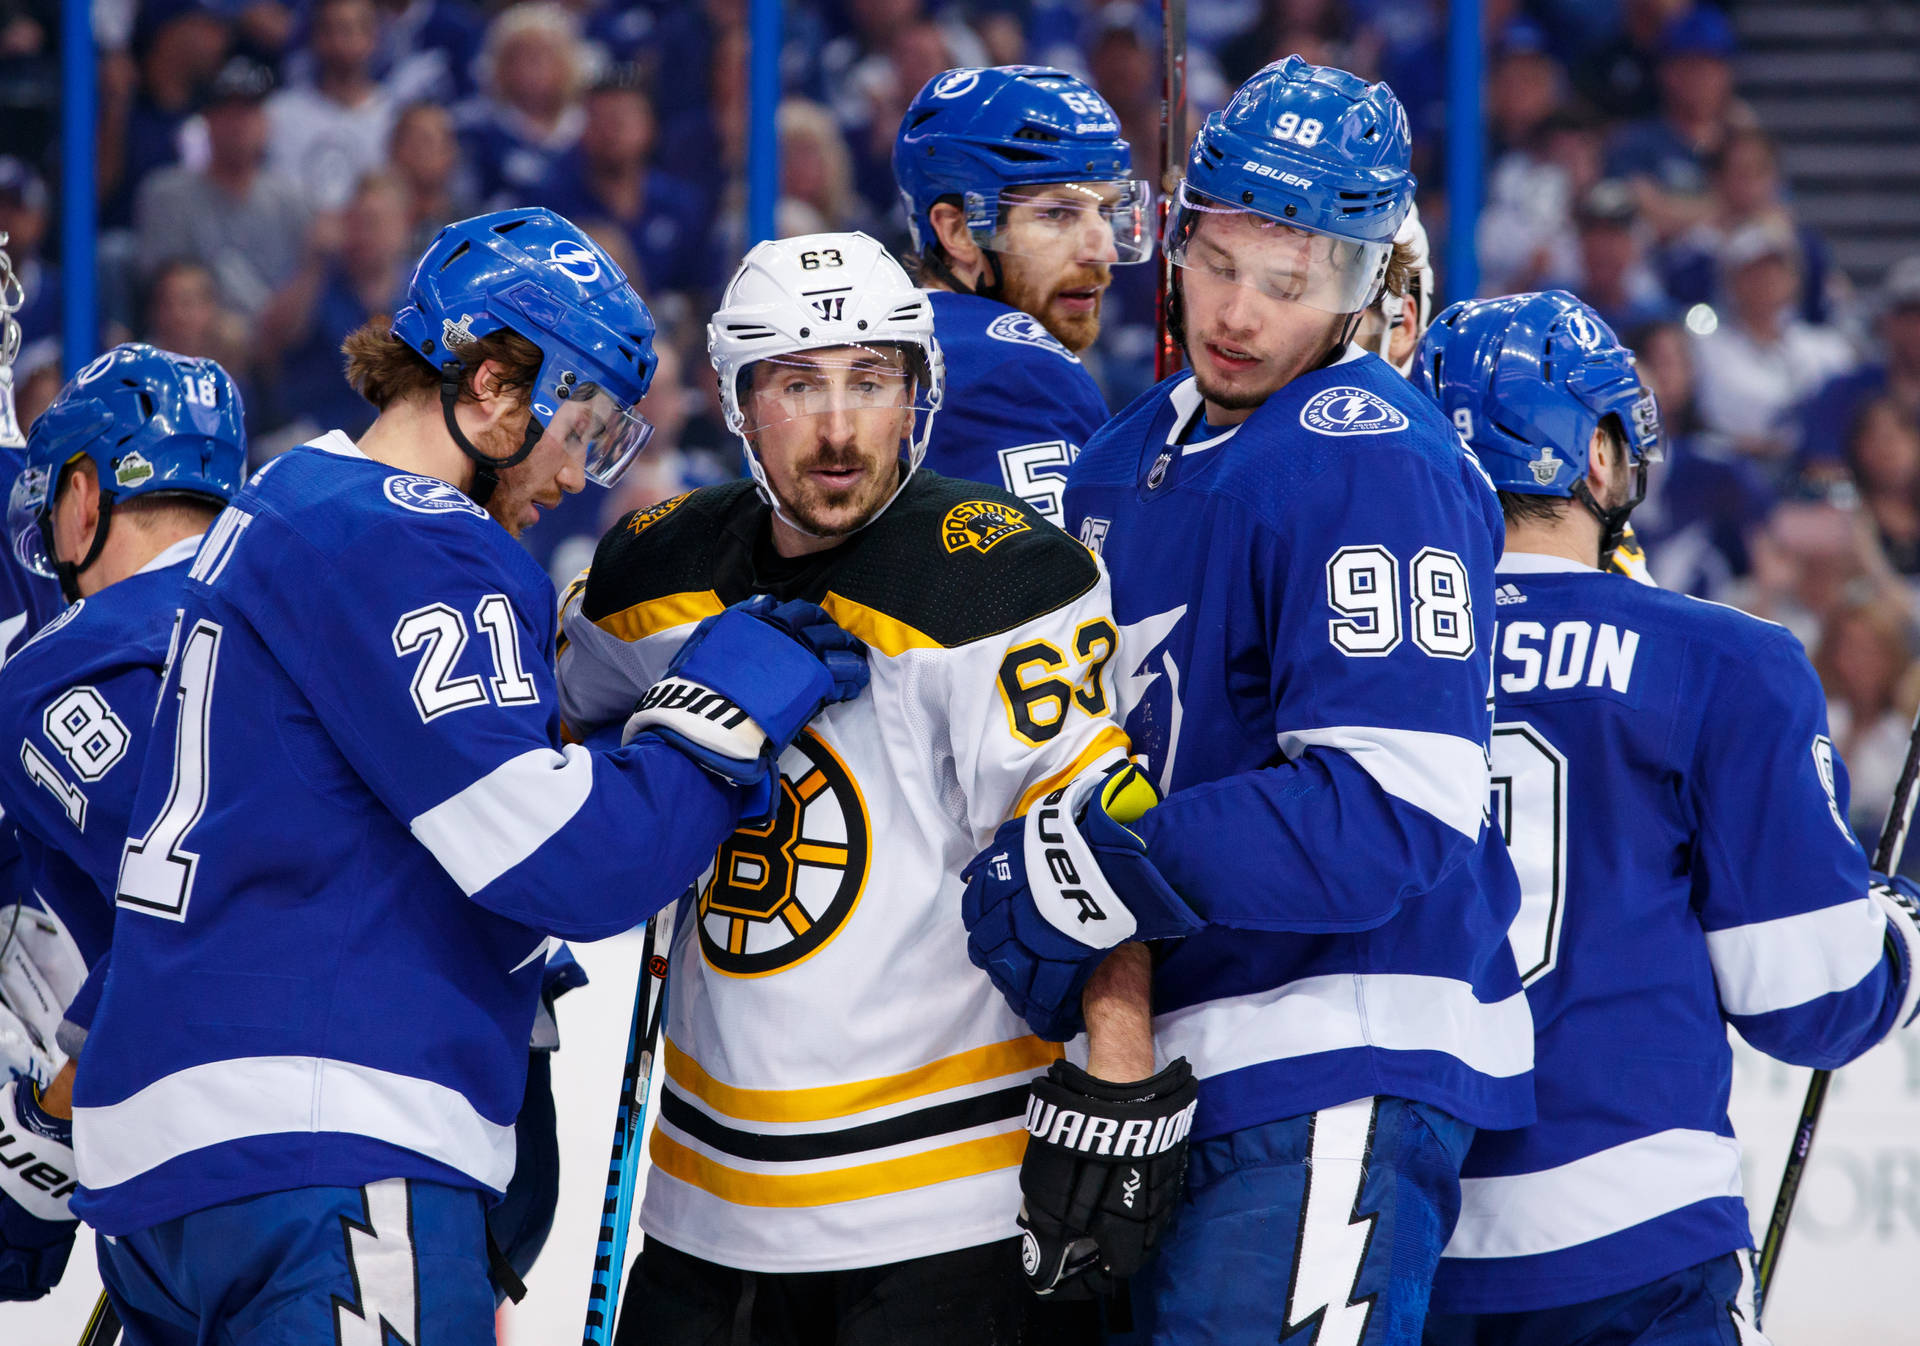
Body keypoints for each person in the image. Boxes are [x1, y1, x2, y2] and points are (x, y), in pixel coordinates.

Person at [65, 209, 868, 1339]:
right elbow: (568, 861)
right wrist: (720, 710)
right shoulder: (413, 540)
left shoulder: (279, 507)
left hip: (171, 1178)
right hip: (334, 1142)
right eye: (579, 423)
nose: (581, 474)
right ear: (494, 387)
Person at [964, 57, 1531, 1342]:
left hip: (1334, 1050)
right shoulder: (1127, 449)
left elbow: (1392, 808)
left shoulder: (1370, 451)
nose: (1237, 312)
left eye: (1292, 284)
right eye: (1218, 261)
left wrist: (1102, 858)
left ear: (1366, 282)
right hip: (1167, 1060)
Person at [557, 231, 1194, 1345]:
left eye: (872, 381)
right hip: (700, 1209)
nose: (841, 426)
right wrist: (671, 727)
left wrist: (1120, 1072)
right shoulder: (650, 571)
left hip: (947, 1206)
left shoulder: (999, 571)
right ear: (739, 403)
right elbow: (544, 751)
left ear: (919, 393)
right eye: (798, 385)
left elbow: (1096, 835)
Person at [1413, 289, 1920, 1346]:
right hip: (1636, 1233)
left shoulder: (1351, 656)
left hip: (1407, 1234)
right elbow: (1812, 994)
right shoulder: (1724, 657)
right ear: (1597, 460)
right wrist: (1900, 928)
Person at [0, 344, 244, 1301]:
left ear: (88, 497)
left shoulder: (74, 658)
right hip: (451, 1112)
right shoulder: (303, 607)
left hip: (238, 1157)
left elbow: (201, 902)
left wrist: (53, 1121)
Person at [892, 65, 1150, 523]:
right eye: (1057, 214)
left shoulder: (891, 344)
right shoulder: (1018, 370)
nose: (1103, 249)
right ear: (957, 231)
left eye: (1105, 211)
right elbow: (1057, 591)